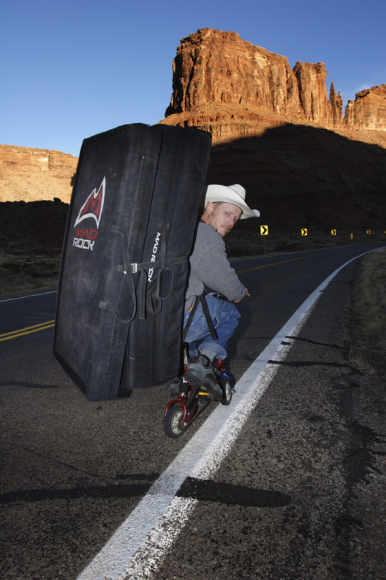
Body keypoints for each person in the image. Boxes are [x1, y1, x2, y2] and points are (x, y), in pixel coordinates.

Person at [171, 184, 259, 399]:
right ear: (209, 207)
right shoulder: (207, 236)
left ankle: (182, 371)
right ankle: (204, 362)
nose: (231, 222)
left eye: (236, 218)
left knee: (203, 303)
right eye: (227, 213)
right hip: (181, 319)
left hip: (158, 317)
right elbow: (224, 281)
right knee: (230, 313)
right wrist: (239, 294)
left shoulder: (182, 230)